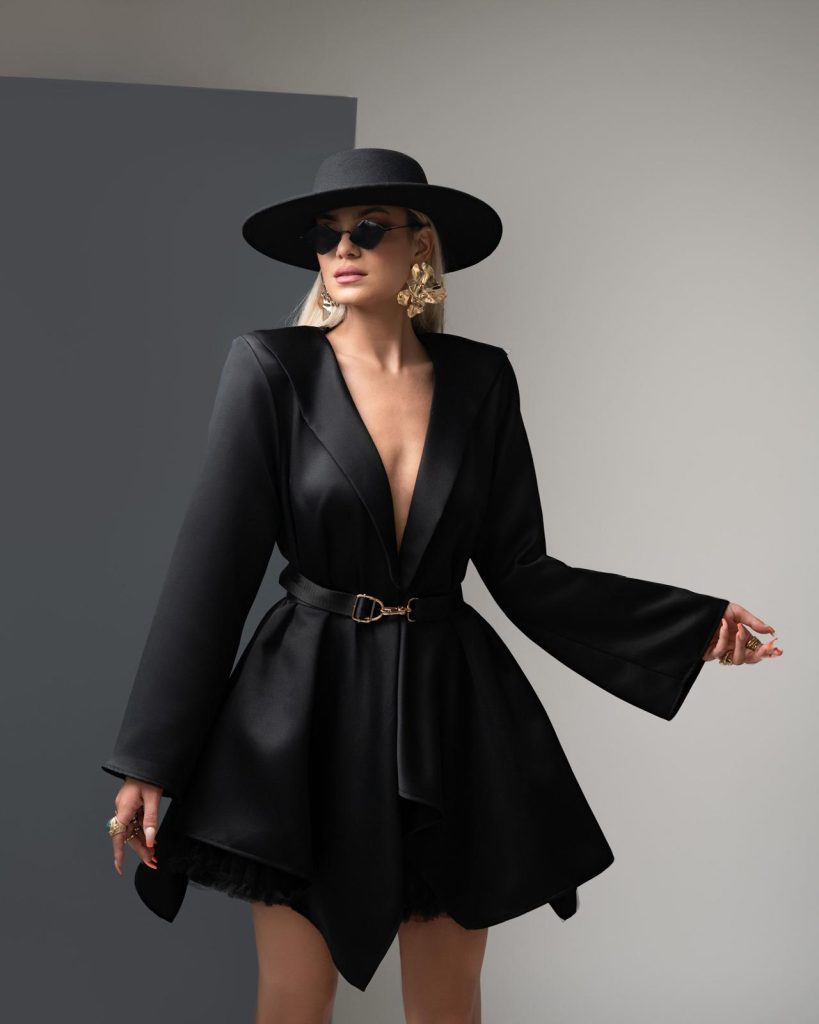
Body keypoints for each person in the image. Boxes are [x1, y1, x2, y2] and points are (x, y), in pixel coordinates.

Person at [102, 147, 783, 1024]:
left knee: (449, 1001)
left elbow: (523, 571)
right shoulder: (272, 367)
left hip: (447, 710)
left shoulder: (479, 379)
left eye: (367, 229)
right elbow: (213, 567)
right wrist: (150, 760)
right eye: (325, 235)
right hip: (301, 709)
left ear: (420, 244)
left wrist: (688, 626)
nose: (343, 249)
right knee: (293, 997)